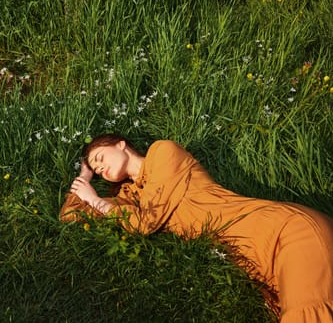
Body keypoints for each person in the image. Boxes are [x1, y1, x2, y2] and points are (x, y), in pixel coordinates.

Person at [59, 133, 333, 322]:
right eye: (95, 167)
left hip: (287, 232)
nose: (99, 167)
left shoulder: (163, 153)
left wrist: (96, 201)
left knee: (307, 313)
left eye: (99, 157)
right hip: (266, 264)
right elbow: (71, 216)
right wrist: (85, 178)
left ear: (120, 144)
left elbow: (145, 222)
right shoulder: (130, 198)